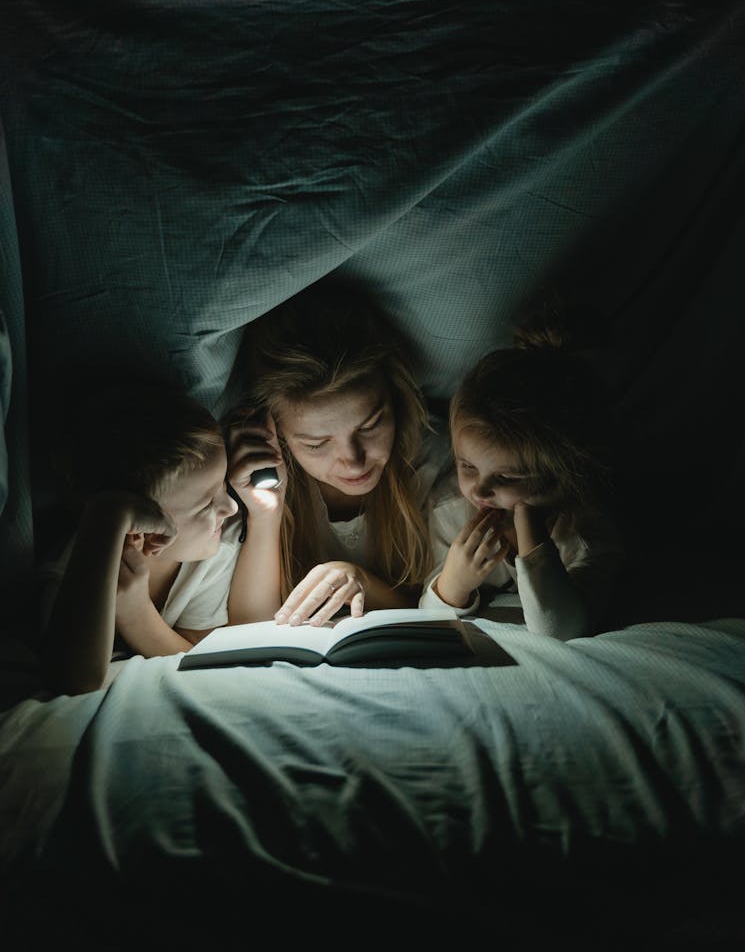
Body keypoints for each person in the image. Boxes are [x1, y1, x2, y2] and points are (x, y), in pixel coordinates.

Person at [225, 279, 449, 627]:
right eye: (316, 444)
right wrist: (264, 518)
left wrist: (360, 579)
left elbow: (444, 607)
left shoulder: (436, 462)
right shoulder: (255, 475)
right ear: (275, 433)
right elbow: (249, 626)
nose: (354, 460)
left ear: (395, 398)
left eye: (371, 424)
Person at [420, 310, 624, 640]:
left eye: (508, 478)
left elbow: (561, 629)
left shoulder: (585, 530)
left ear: (559, 478)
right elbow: (429, 618)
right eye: (467, 466)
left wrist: (530, 530)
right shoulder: (452, 508)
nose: (479, 490)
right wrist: (453, 584)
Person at [40, 381, 240, 695]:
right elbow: (75, 680)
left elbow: (199, 656)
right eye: (206, 504)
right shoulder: (72, 571)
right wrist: (109, 515)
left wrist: (137, 614)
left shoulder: (210, 554)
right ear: (143, 526)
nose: (231, 507)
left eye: (224, 486)